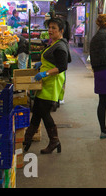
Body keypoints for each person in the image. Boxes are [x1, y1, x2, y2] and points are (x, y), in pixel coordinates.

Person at [23, 18, 71, 154]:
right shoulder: (54, 43)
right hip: (46, 83)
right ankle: (26, 140)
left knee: (43, 112)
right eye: (49, 27)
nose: (50, 30)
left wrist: (45, 73)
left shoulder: (60, 46)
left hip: (52, 83)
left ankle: (54, 141)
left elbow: (62, 67)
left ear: (61, 31)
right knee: (37, 111)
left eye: (54, 28)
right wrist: (41, 65)